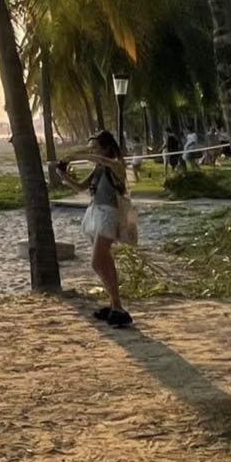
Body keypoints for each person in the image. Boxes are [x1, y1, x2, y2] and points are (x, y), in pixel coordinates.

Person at [58, 130, 133, 329]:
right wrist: (64, 176)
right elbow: (82, 188)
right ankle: (115, 304)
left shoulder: (116, 164)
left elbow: (102, 160)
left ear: (107, 148)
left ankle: (117, 305)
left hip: (109, 214)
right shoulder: (99, 168)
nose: (93, 152)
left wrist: (78, 156)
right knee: (104, 261)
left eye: (96, 148)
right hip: (95, 212)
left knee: (97, 261)